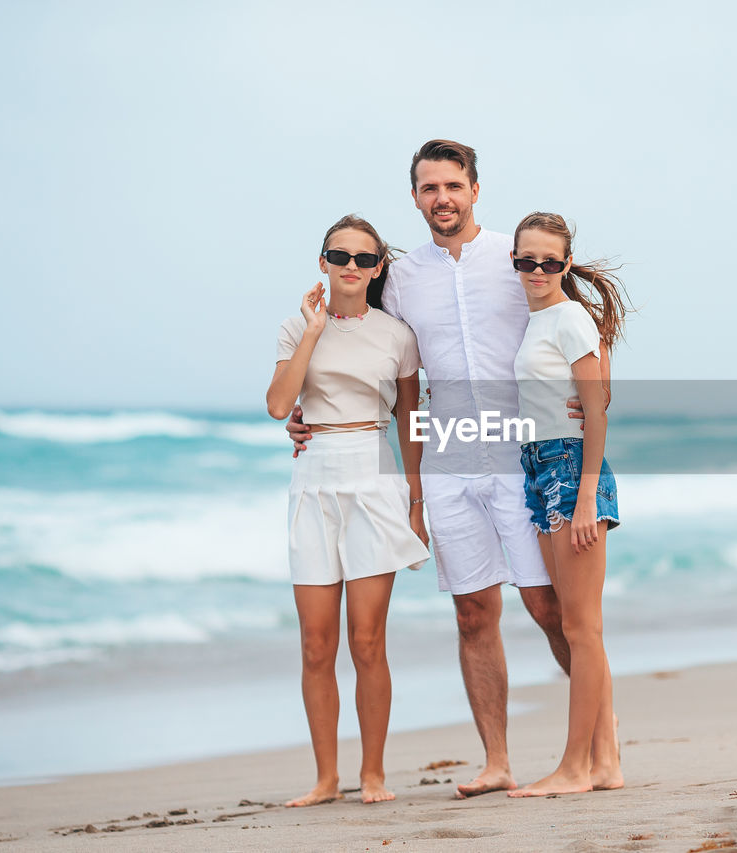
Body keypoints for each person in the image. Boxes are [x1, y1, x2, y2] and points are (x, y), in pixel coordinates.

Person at [289, 140, 617, 797]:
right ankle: (497, 761)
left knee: (549, 606)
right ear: (415, 197)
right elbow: (368, 344)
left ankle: (599, 750)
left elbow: (581, 323)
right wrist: (311, 411)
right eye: (429, 187)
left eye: (453, 185)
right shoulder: (401, 277)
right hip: (446, 457)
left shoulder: (515, 255)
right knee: (472, 611)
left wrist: (590, 400)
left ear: (474, 190)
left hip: (522, 449)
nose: (442, 197)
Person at [266, 214, 431, 807]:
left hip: (373, 478)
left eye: (365, 259)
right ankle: (326, 778)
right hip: (312, 484)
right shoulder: (295, 327)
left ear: (379, 266)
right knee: (316, 644)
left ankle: (374, 775)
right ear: (323, 262)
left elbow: (411, 423)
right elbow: (279, 404)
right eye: (341, 257)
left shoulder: (397, 335)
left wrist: (416, 502)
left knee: (367, 641)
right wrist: (312, 330)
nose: (352, 268)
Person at [507, 212, 626, 797]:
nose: (537, 271)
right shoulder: (540, 320)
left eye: (549, 262)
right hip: (539, 468)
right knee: (576, 623)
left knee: (581, 628)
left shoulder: (569, 319)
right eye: (526, 261)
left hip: (570, 472)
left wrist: (583, 498)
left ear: (566, 265)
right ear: (515, 262)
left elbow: (595, 411)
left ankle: (575, 767)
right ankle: (605, 762)